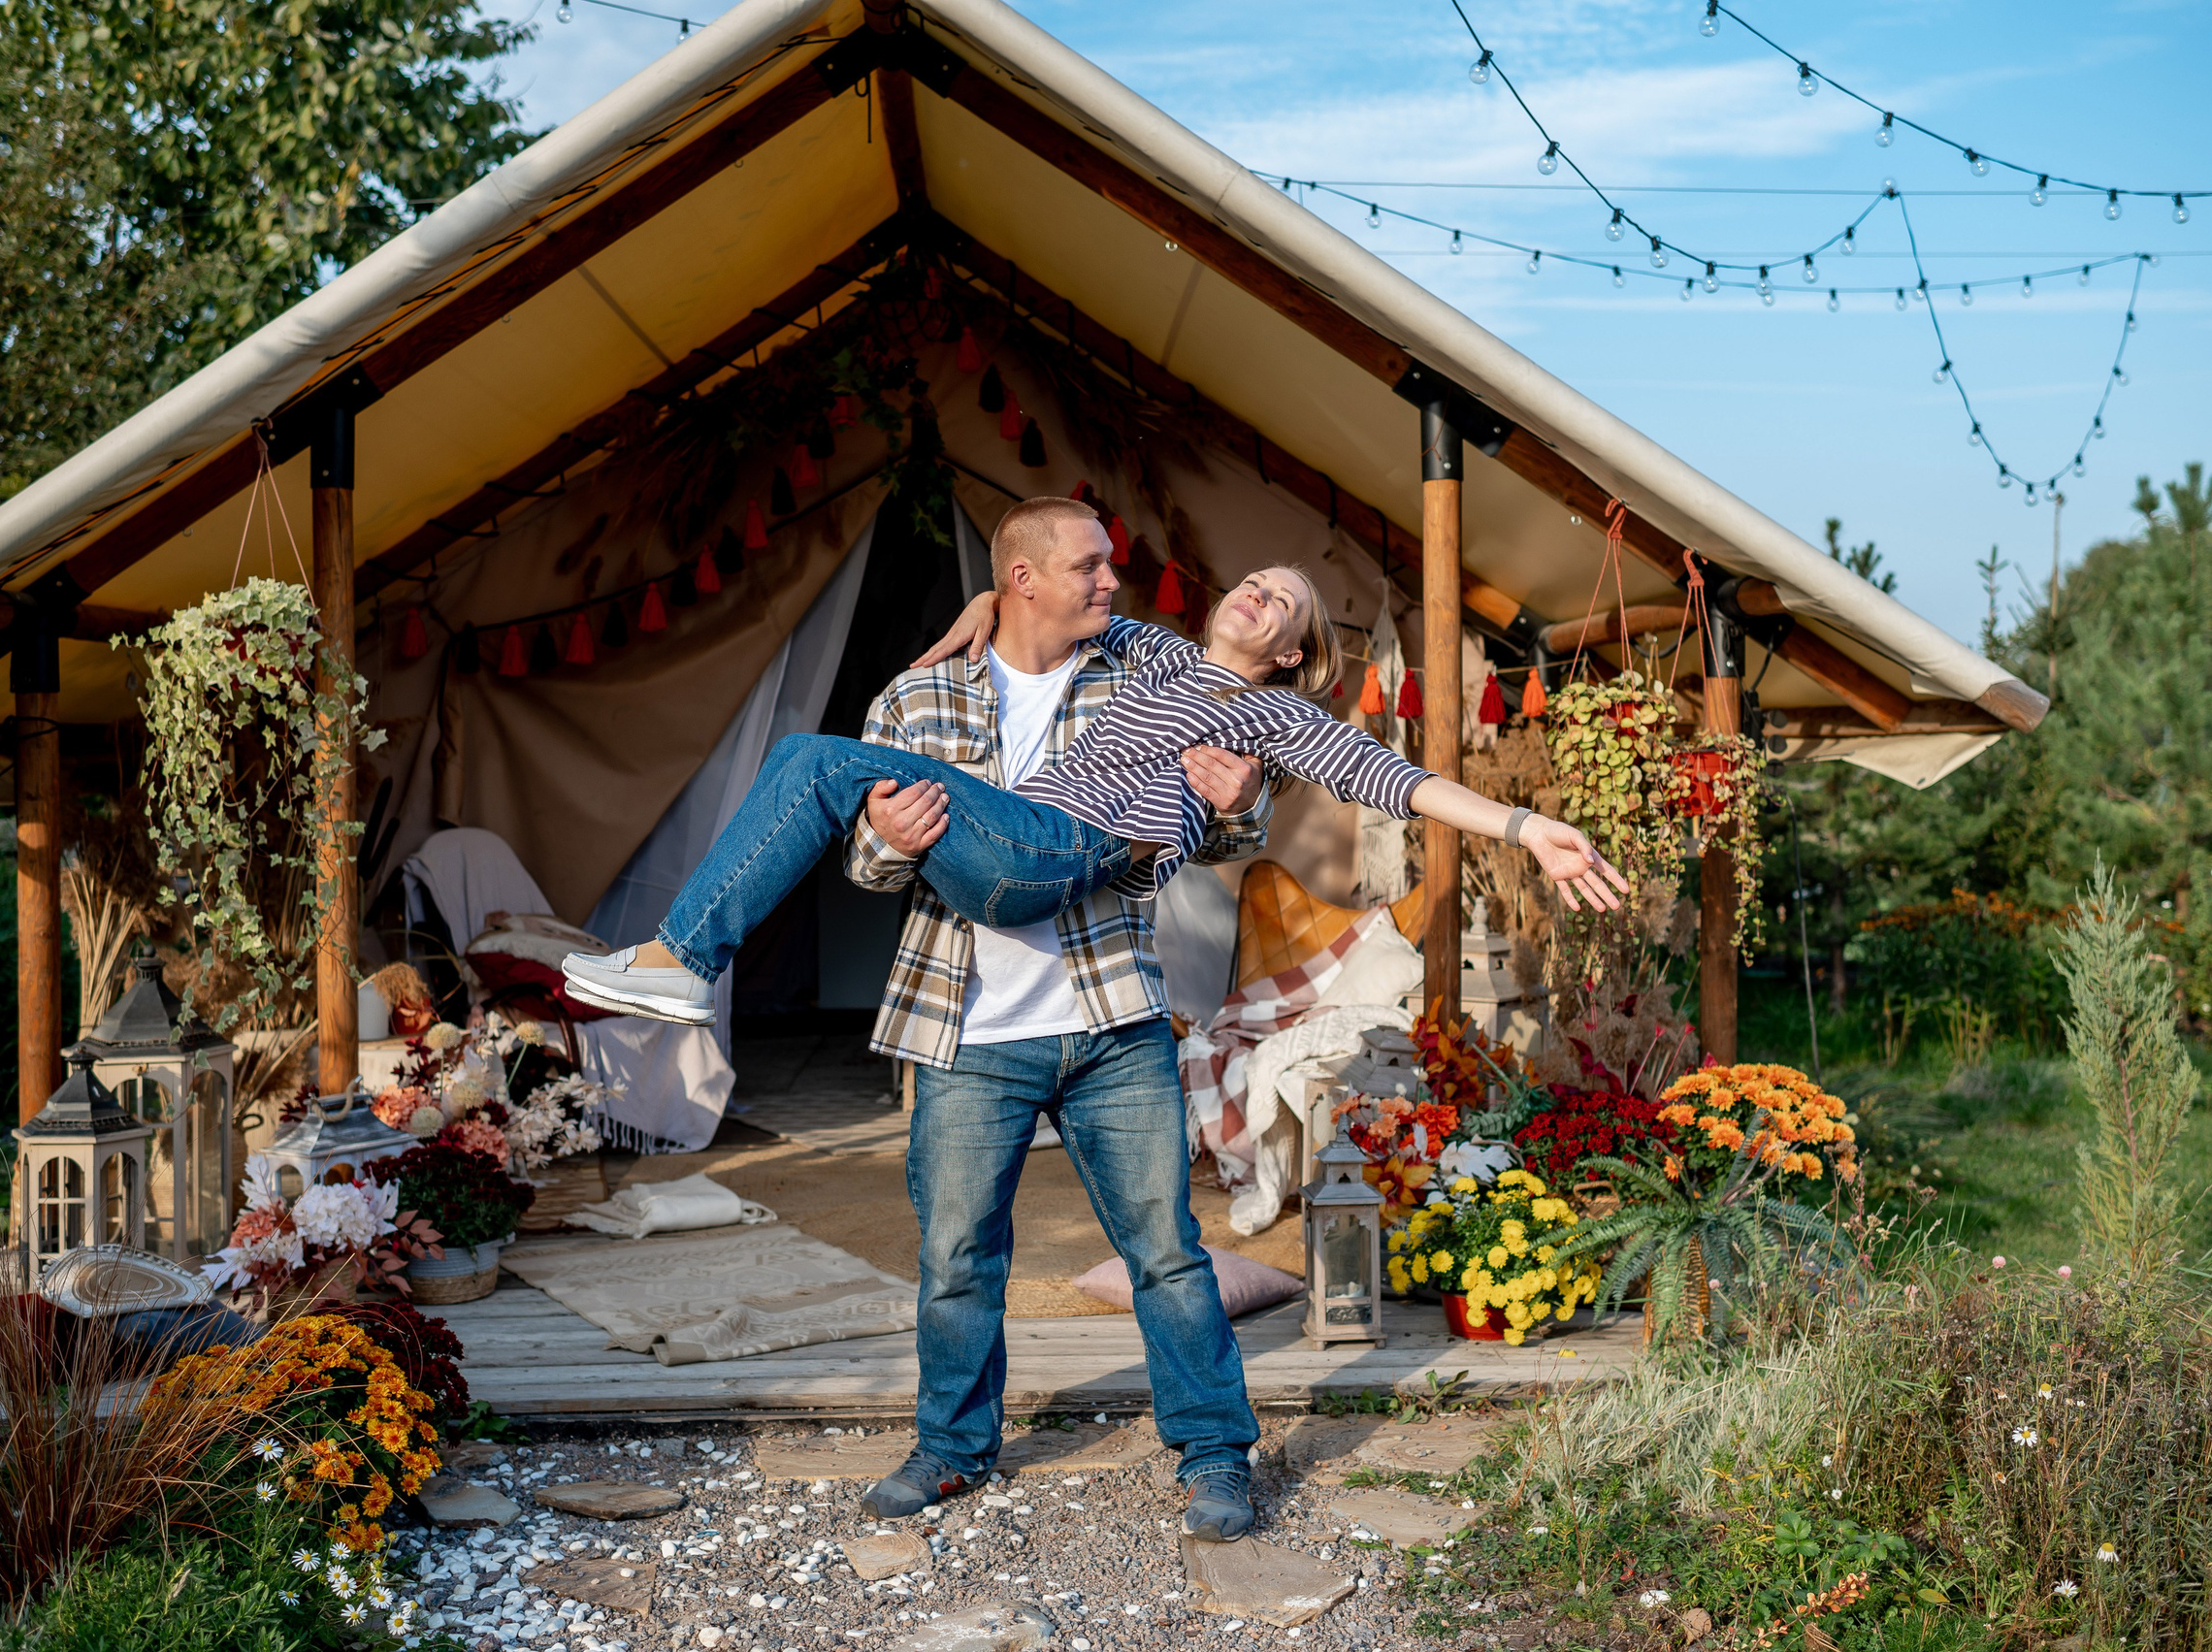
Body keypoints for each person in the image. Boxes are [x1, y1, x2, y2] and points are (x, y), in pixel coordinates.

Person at [563, 497, 1625, 1538]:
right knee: (956, 1251)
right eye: (1253, 582)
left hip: (1092, 952)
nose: (1252, 593)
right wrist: (896, 812)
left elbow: (1387, 778)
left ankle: (1215, 1458)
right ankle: (951, 1448)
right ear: (1026, 577)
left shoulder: (1259, 713)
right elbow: (870, 862)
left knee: (1165, 1249)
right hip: (973, 991)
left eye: (1281, 604)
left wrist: (1525, 825)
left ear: (1294, 655)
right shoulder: (1077, 665)